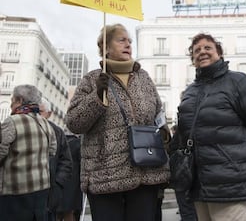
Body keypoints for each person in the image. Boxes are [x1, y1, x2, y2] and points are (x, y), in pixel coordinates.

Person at [65, 23, 170, 221]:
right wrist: (96, 96)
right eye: (121, 40)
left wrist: (164, 132)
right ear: (105, 47)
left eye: (130, 41)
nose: (128, 44)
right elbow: (74, 123)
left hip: (145, 174)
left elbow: (158, 112)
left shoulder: (144, 78)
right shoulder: (92, 79)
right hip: (105, 177)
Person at [171, 33, 246, 221]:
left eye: (208, 48)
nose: (202, 52)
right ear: (192, 59)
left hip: (232, 183)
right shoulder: (190, 92)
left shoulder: (239, 81)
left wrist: (245, 158)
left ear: (220, 53)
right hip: (199, 185)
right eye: (196, 50)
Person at [0, 84, 57, 221]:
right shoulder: (46, 124)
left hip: (14, 192)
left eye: (12, 100)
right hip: (41, 190)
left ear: (19, 100)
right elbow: (52, 151)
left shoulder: (11, 122)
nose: (10, 105)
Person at [40, 98, 73, 221]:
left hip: (50, 191)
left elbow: (66, 162)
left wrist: (57, 184)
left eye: (41, 112)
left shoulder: (57, 132)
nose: (38, 115)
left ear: (49, 114)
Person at [169, 125, 198, 221]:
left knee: (187, 212)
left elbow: (172, 147)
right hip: (203, 174)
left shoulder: (184, 123)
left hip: (183, 173)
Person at [56, 130, 82, 221]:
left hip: (59, 182)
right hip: (73, 184)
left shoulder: (58, 144)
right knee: (69, 211)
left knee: (57, 213)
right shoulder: (77, 144)